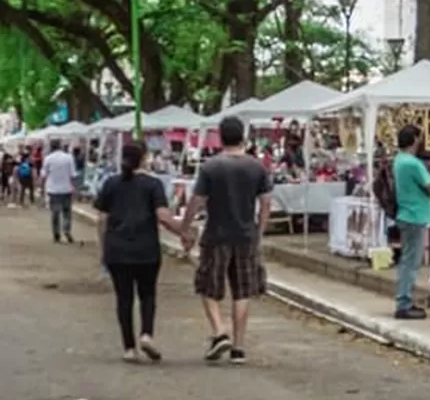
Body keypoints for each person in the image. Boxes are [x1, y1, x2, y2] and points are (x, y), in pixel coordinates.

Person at [181, 115, 273, 364]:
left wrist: (185, 228)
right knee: (242, 291)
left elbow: (197, 200)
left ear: (220, 136)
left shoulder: (211, 167)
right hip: (246, 236)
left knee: (208, 285)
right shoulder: (257, 168)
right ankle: (239, 347)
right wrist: (260, 231)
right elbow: (265, 203)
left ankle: (220, 331)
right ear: (243, 136)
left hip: (216, 235)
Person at [95, 142, 191, 363]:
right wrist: (183, 232)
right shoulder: (153, 185)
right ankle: (146, 334)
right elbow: (164, 217)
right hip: (146, 249)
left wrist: (104, 248)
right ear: (145, 158)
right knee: (148, 294)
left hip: (117, 250)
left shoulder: (111, 184)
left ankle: (129, 347)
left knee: (124, 298)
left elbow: (101, 218)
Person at [393, 124, 430, 319]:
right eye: (419, 138)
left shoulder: (398, 160)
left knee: (407, 259)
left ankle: (405, 298)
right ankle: (404, 302)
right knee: (411, 262)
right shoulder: (414, 163)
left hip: (405, 212)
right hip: (415, 214)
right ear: (413, 140)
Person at [41, 139, 77, 243]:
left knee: (55, 213)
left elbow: (43, 175)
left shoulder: (48, 158)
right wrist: (75, 189)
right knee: (67, 211)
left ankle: (56, 233)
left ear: (51, 147)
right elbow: (73, 175)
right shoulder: (69, 158)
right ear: (61, 146)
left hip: (53, 189)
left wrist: (42, 189)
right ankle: (66, 229)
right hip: (66, 189)